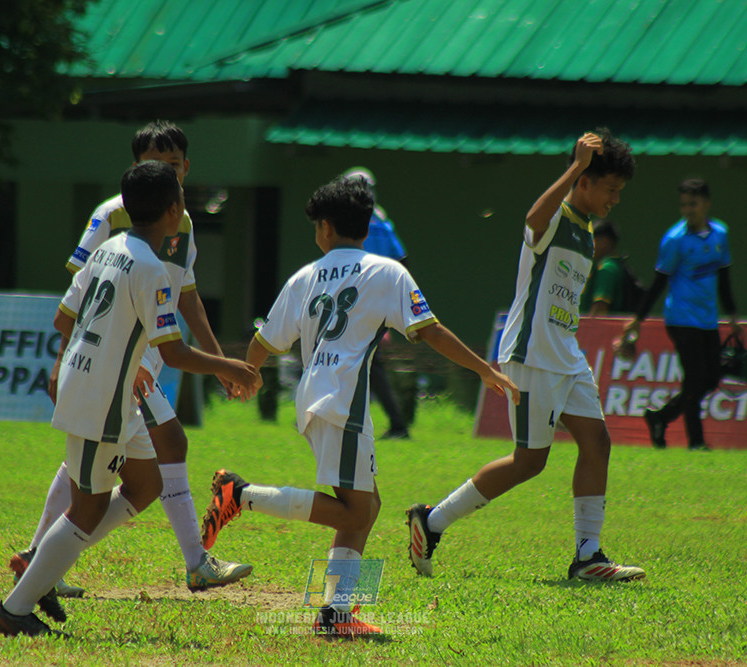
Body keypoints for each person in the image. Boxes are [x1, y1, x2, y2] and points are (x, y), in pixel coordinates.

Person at [197, 175, 517, 637]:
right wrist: (482, 368)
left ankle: (335, 613)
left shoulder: (305, 276)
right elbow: (429, 330)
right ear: (366, 227)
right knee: (355, 511)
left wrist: (247, 377)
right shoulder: (386, 271)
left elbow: (265, 340)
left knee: (367, 504)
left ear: (325, 227)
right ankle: (240, 495)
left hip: (320, 395)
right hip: (342, 399)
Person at [0, 161, 259, 637]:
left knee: (147, 483)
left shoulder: (109, 247)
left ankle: (42, 569)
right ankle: (17, 606)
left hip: (104, 389)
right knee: (86, 509)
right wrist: (229, 365)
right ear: (174, 211)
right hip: (102, 400)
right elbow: (172, 353)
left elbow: (63, 317)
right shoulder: (153, 267)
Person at [407, 129, 646, 583]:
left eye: (619, 190)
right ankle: (431, 521)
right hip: (532, 354)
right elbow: (532, 218)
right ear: (586, 182)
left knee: (597, 442)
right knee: (529, 462)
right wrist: (575, 164)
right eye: (611, 189)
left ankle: (588, 556)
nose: (616, 198)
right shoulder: (554, 219)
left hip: (567, 355)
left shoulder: (587, 231)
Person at [621, 178, 742, 451]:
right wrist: (638, 319)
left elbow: (724, 279)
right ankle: (696, 441)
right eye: (683, 204)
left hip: (708, 319)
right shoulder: (674, 240)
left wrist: (732, 315)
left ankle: (660, 417)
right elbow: (659, 282)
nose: (688, 209)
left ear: (706, 204)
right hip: (681, 318)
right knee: (697, 379)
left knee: (710, 379)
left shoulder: (720, 234)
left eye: (693, 203)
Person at [344, 166, 410, 439]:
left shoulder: (352, 219)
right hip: (379, 300)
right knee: (366, 362)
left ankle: (395, 424)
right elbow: (402, 260)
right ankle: (393, 424)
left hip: (356, 301)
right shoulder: (382, 220)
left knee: (359, 361)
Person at [581, 219, 634, 315]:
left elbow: (599, 310)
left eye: (591, 240)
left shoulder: (607, 268)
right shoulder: (616, 265)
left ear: (605, 242)